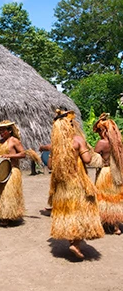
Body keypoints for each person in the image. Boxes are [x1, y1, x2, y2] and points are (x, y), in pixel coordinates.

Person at [48, 109, 104, 259]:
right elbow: (87, 160)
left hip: (62, 185)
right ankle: (76, 243)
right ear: (70, 124)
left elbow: (50, 166)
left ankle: (72, 238)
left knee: (68, 213)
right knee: (81, 212)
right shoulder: (78, 140)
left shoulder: (56, 144)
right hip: (78, 182)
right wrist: (89, 151)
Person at [93, 113, 123, 235]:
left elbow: (93, 160)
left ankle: (101, 224)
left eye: (99, 131)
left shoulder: (101, 143)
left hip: (104, 174)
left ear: (104, 131)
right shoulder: (118, 143)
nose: (99, 134)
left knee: (103, 199)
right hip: (116, 173)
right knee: (114, 199)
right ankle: (116, 227)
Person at [0, 120, 26, 227]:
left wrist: (10, 156)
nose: (1, 133)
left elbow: (23, 154)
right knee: (1, 194)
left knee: (8, 194)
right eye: (0, 131)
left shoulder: (14, 141)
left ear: (10, 131)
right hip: (1, 172)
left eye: (3, 131)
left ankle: (8, 216)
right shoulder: (0, 142)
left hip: (12, 171)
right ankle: (3, 214)